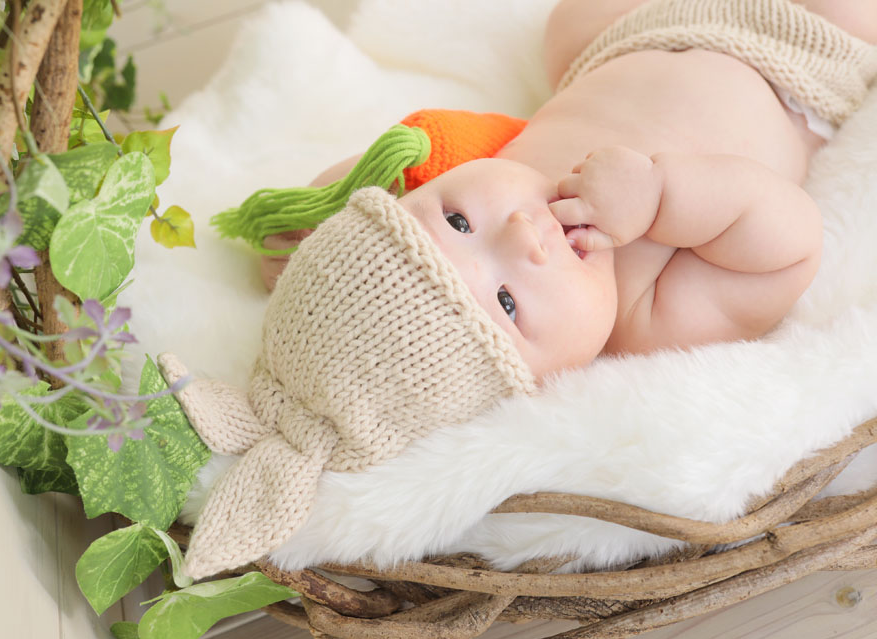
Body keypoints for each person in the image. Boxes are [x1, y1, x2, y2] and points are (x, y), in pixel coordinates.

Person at [257, 0, 877, 382]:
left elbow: (393, 172)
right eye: (507, 304)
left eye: (458, 223)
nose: (521, 235)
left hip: (625, 38)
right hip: (796, 65)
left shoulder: (499, 174)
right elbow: (787, 242)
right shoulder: (643, 323)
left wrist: (325, 225)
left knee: (567, 19)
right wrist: (661, 195)